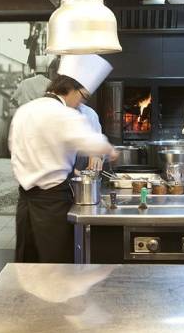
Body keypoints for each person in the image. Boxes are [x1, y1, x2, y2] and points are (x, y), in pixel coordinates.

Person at [9, 54, 118, 263]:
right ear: (72, 89)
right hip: (53, 204)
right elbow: (96, 144)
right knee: (56, 266)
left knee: (28, 264)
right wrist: (111, 150)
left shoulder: (26, 110)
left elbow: (16, 151)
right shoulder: (64, 114)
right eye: (83, 96)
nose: (81, 102)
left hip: (25, 202)